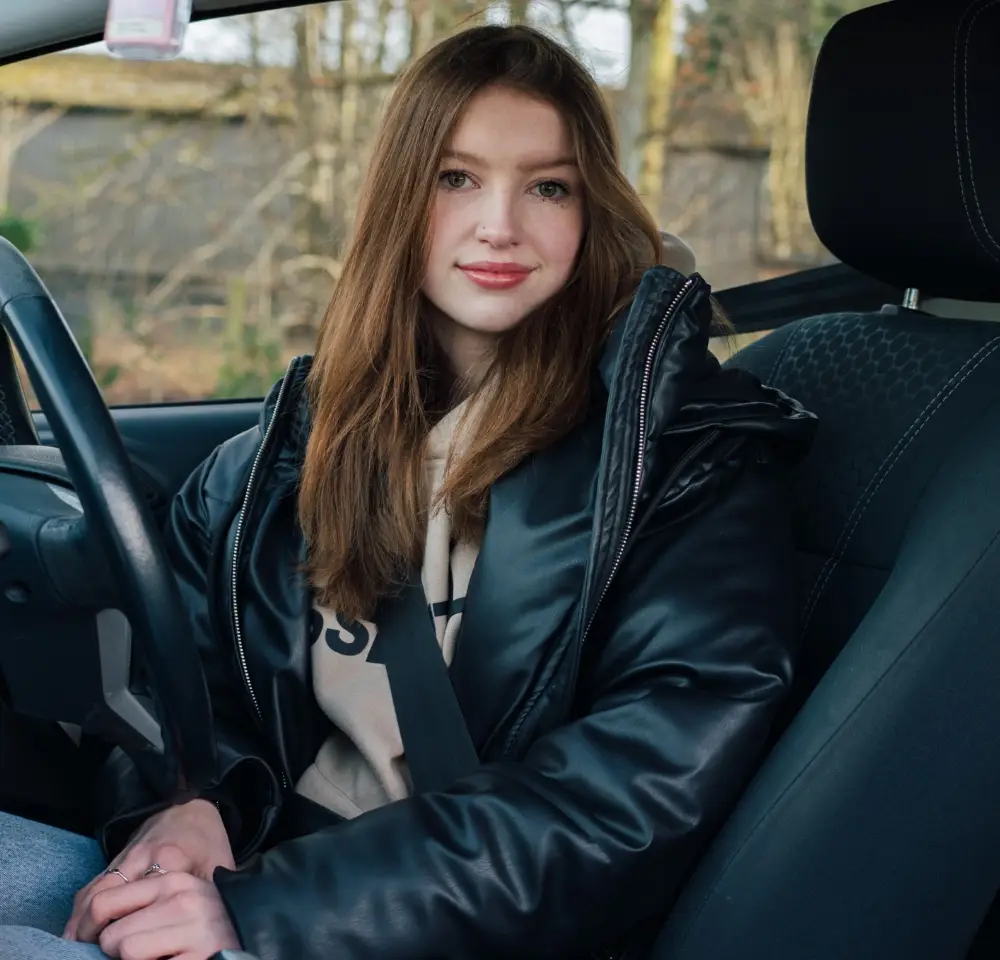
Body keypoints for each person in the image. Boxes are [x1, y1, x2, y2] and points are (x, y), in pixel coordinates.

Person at [0, 23, 815, 960]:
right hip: (260, 876)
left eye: (548, 186)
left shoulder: (683, 456)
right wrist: (193, 809)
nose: (500, 224)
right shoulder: (293, 446)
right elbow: (180, 676)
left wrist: (268, 914)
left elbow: (637, 787)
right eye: (455, 178)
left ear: (590, 211)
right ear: (397, 198)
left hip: (403, 925)